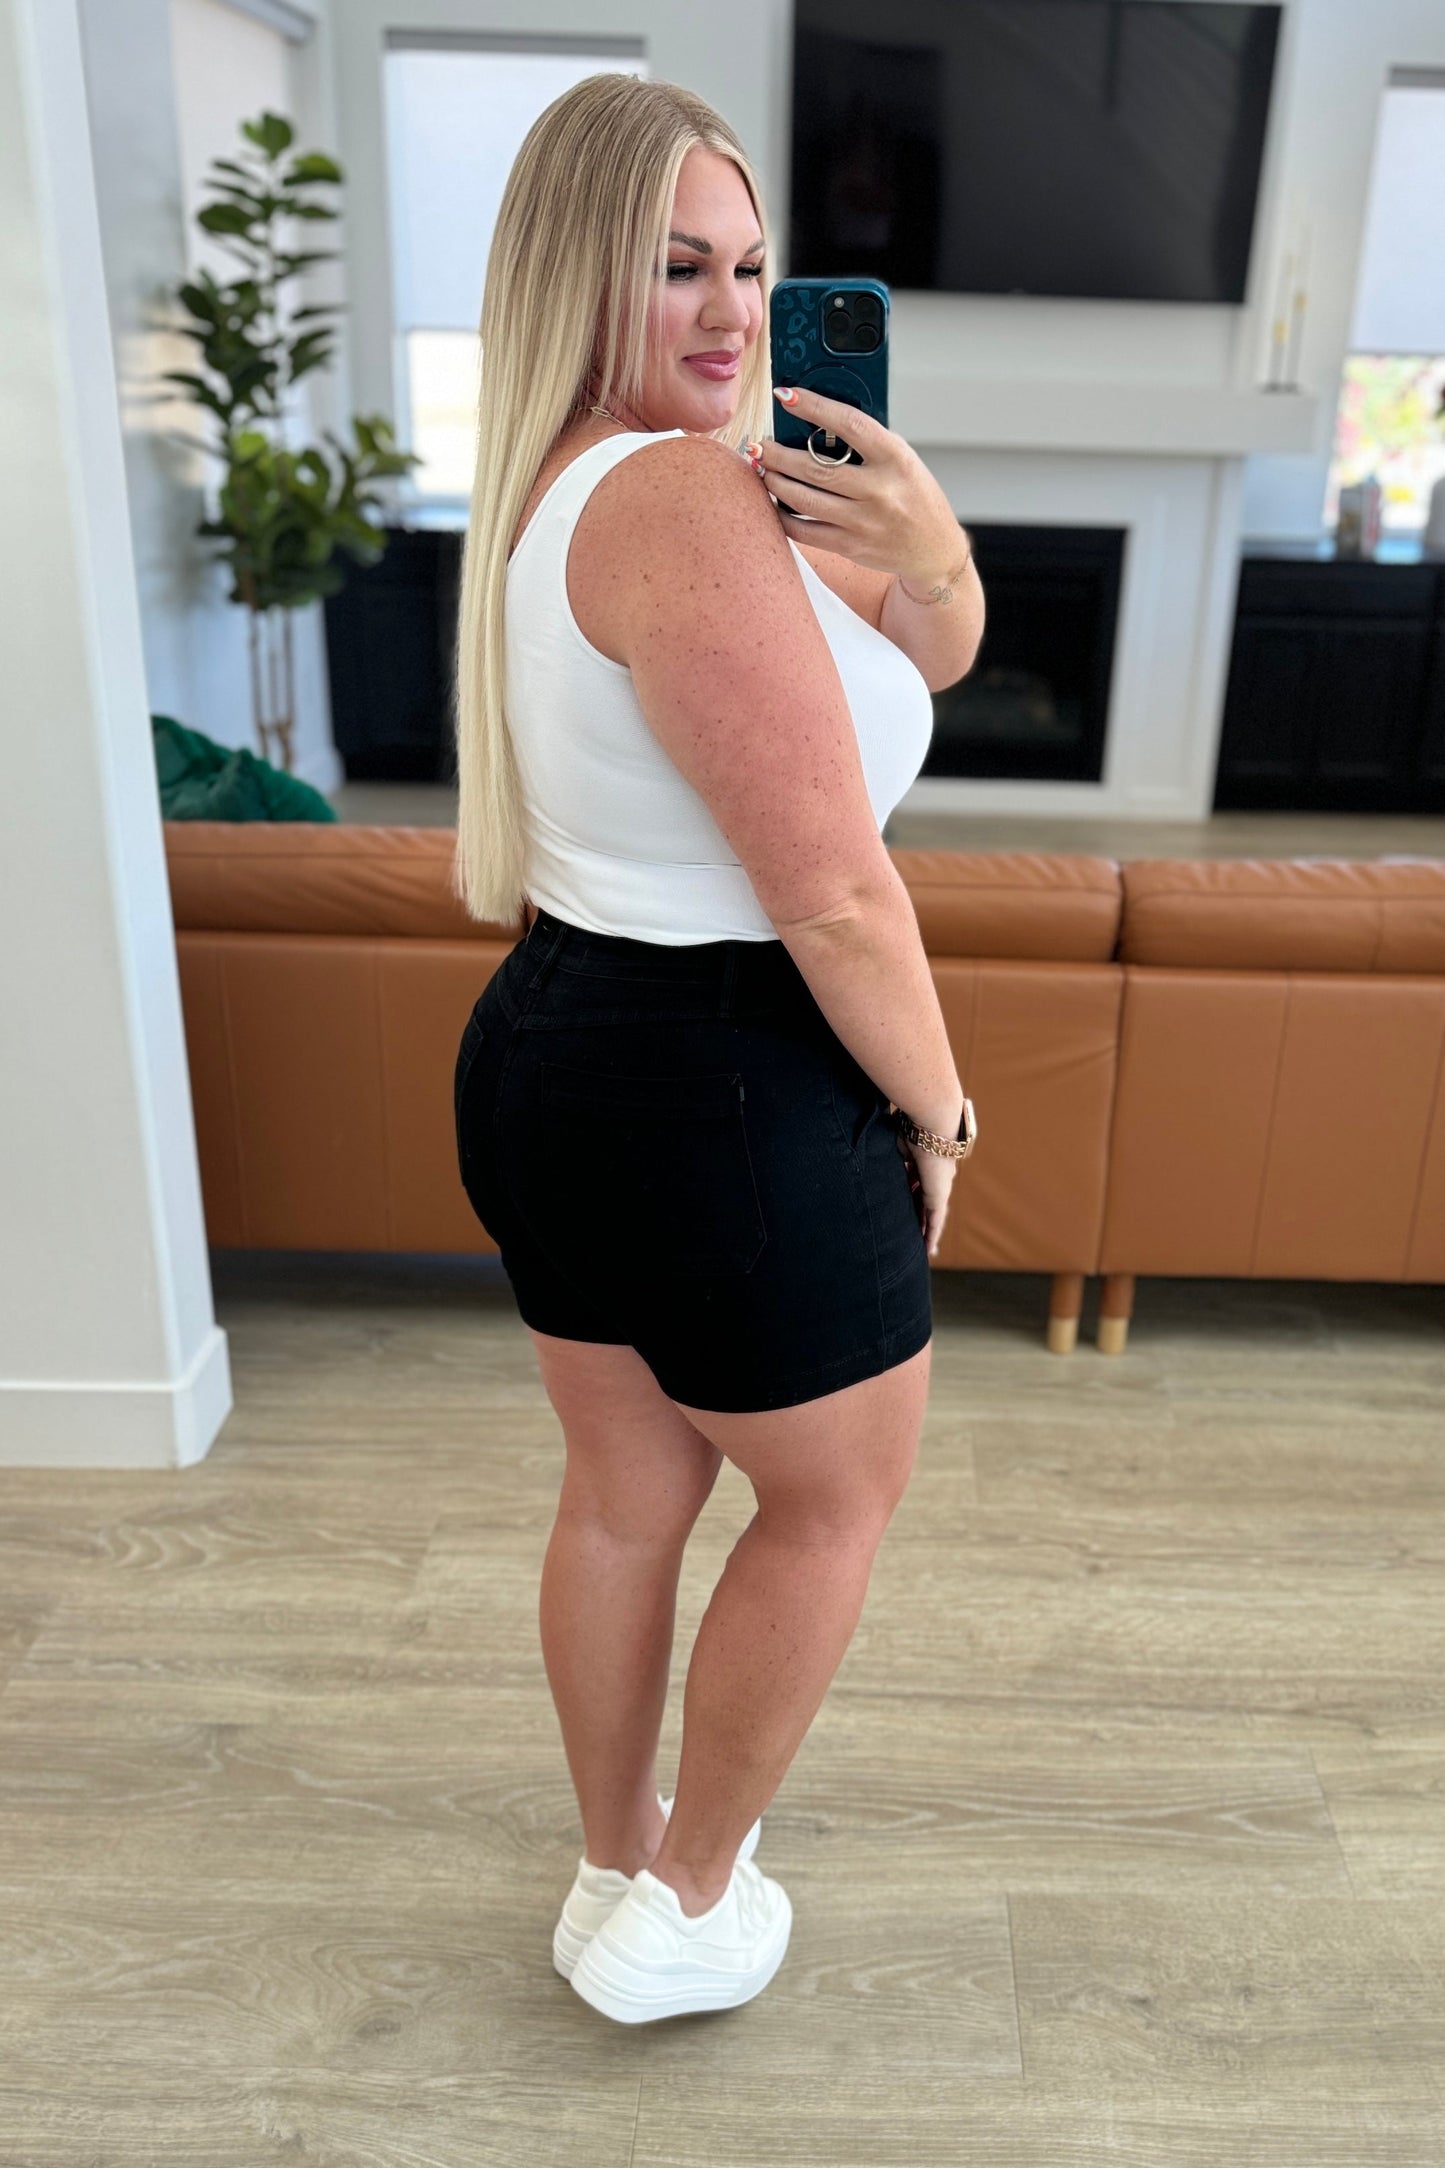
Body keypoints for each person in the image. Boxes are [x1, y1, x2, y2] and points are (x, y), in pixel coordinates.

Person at [450, 73, 984, 2025]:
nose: (733, 311)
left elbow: (923, 647)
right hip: (728, 1080)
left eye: (751, 268)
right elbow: (834, 895)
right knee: (829, 1502)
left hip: (564, 1047)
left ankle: (618, 1860)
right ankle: (685, 1906)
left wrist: (927, 543)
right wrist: (938, 1110)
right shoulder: (680, 498)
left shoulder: (588, 482)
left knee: (626, 1494)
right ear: (577, 271)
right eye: (678, 266)